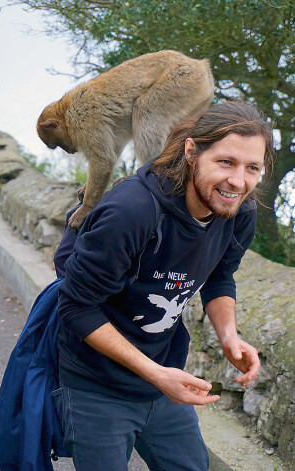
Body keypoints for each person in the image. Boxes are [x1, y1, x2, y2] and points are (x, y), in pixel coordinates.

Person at [53, 101, 274, 471]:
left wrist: (228, 336)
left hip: (164, 376)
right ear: (192, 152)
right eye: (226, 162)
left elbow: (220, 274)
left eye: (252, 168)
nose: (238, 181)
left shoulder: (238, 211)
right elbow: (76, 307)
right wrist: (157, 375)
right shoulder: (132, 211)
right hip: (95, 383)